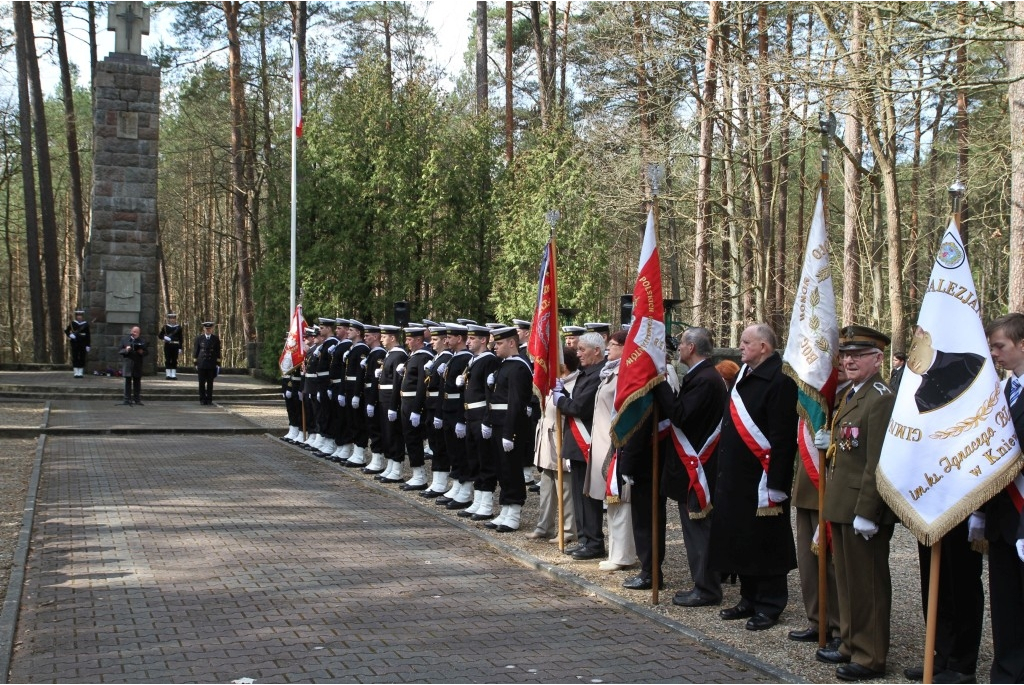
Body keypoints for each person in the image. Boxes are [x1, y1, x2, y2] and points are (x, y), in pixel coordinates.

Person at [814, 325, 897, 681]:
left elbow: (876, 461)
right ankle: (849, 643)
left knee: (868, 586)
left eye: (857, 355)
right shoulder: (853, 393)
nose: (848, 361)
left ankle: (870, 655)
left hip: (862, 508)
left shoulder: (880, 397)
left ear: (878, 359)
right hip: (842, 503)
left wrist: (868, 511)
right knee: (847, 582)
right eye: (845, 355)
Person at [708, 323, 798, 632]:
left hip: (762, 480)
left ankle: (770, 603)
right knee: (740, 538)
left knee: (766, 542)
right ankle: (748, 597)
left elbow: (783, 438)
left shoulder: (779, 381)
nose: (741, 346)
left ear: (764, 347)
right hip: (736, 477)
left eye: (747, 342)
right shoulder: (743, 376)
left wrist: (776, 484)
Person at [646, 326, 728, 602]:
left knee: (699, 530)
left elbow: (681, 415)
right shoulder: (701, 376)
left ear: (691, 348)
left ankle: (706, 589)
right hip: (691, 464)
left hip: (698, 466)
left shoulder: (705, 379)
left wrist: (658, 385)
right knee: (695, 529)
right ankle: (702, 585)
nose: (678, 348)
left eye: (681, 344)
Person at [981, 313, 1024, 684]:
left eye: (1000, 346)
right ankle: (1007, 674)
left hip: (1023, 513)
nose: (994, 353)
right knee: (1006, 606)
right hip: (1002, 515)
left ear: (1023, 344)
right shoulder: (1001, 392)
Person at [789, 366, 844, 648]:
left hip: (833, 487)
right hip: (808, 484)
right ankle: (817, 620)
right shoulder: (813, 390)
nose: (845, 363)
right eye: (842, 356)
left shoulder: (850, 395)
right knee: (809, 561)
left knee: (833, 564)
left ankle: (837, 626)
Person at [553, 332, 606, 560]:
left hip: (588, 442)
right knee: (578, 495)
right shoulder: (587, 373)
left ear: (597, 351)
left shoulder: (597, 375)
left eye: (583, 349)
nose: (578, 353)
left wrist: (561, 400)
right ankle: (585, 539)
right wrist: (562, 392)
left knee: (588, 497)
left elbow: (579, 408)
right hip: (577, 443)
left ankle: (593, 542)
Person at [588, 329, 636, 571]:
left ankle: (623, 554)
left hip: (617, 444)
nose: (608, 347)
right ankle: (618, 551)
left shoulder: (624, 374)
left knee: (621, 501)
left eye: (614, 344)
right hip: (604, 444)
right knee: (613, 502)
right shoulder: (610, 372)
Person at [484, 325, 534, 531]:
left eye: (499, 343)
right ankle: (505, 508)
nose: (495, 347)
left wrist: (509, 433)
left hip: (509, 424)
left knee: (512, 468)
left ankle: (513, 511)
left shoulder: (519, 367)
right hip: (498, 421)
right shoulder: (505, 365)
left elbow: (515, 402)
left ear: (512, 343)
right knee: (502, 468)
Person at [527, 346, 578, 542]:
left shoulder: (573, 384)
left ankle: (567, 531)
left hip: (561, 437)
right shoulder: (553, 383)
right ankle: (544, 526)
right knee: (547, 486)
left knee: (564, 489)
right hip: (547, 438)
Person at [457, 325, 501, 520]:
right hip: (470, 414)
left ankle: (487, 502)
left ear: (483, 340)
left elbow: (489, 392)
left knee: (485, 460)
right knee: (473, 458)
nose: (468, 342)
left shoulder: (488, 361)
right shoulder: (473, 360)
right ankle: (478, 499)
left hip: (481, 414)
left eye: (472, 339)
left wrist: (487, 420)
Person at [437, 323, 475, 509]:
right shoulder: (454, 358)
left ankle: (465, 489)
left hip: (457, 409)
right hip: (448, 408)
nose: (446, 340)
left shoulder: (465, 359)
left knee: (462, 451)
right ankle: (458, 484)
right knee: (453, 450)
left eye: (450, 337)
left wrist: (461, 419)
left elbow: (464, 393)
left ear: (459, 338)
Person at [907, 325, 984, 413]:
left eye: (914, 347)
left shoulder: (968, 361)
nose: (912, 360)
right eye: (908, 358)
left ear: (926, 338)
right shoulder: (920, 396)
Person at [398, 326, 434, 490]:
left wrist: (417, 409)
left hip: (414, 402)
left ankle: (420, 476)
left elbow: (421, 385)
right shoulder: (413, 357)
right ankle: (416, 473)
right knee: (409, 438)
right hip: (406, 400)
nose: (406, 342)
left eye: (410, 339)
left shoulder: (423, 357)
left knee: (414, 440)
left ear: (419, 340)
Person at [422, 325, 453, 497]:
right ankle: (437, 480)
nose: (432, 343)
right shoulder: (438, 358)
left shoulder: (446, 358)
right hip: (431, 403)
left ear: (444, 340)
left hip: (438, 404)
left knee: (440, 445)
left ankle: (441, 482)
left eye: (435, 340)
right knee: (435, 444)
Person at [375, 325, 408, 483]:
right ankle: (390, 463)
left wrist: (394, 405)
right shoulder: (390, 355)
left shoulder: (398, 355)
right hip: (384, 397)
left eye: (384, 336)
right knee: (387, 433)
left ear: (393, 338)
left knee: (394, 434)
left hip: (390, 398)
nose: (381, 339)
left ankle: (397, 467)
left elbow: (397, 382)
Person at [360, 325, 388, 474]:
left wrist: (371, 401)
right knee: (371, 426)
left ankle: (378, 459)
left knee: (375, 428)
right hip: (368, 393)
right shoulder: (372, 353)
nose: (365, 338)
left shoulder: (379, 353)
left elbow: (375, 381)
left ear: (376, 337)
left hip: (374, 396)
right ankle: (376, 458)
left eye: (368, 335)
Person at [194, 321, 222, 406]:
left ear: (212, 329)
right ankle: (202, 399)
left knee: (210, 383)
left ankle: (209, 399)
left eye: (209, 329)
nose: (208, 330)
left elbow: (218, 352)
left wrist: (218, 364)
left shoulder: (215, 339)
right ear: (204, 329)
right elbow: (196, 351)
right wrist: (195, 363)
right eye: (206, 329)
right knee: (201, 383)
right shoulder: (199, 338)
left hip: (211, 364)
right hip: (201, 363)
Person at [117, 326, 147, 405]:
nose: (135, 333)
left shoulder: (142, 340)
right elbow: (120, 351)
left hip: (137, 364)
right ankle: (127, 399)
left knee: (137, 382)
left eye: (136, 332)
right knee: (127, 382)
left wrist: (142, 352)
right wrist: (126, 350)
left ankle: (137, 399)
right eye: (134, 331)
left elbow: (146, 352)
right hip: (128, 364)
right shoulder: (125, 340)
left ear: (139, 333)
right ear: (131, 331)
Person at [65, 310, 91, 378]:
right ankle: (76, 372)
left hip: (83, 343)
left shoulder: (85, 324)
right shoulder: (73, 323)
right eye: (78, 316)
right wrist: (70, 335)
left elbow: (88, 335)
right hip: (75, 343)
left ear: (82, 317)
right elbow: (67, 331)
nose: (79, 317)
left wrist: (88, 345)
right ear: (76, 316)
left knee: (82, 357)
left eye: (80, 316)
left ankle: (80, 372)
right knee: (75, 356)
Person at [158, 313, 183, 380]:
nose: (172, 320)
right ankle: (168, 374)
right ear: (169, 319)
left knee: (174, 359)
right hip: (168, 345)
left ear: (175, 319)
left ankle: (173, 374)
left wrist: (180, 347)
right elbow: (160, 335)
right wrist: (165, 337)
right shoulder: (165, 327)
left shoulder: (178, 327)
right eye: (171, 318)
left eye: (173, 318)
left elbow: (181, 338)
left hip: (175, 345)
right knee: (168, 359)